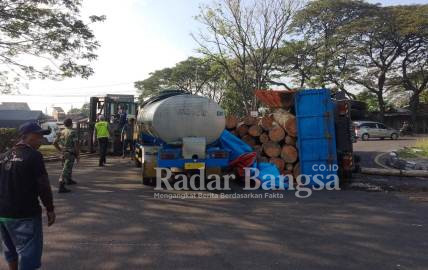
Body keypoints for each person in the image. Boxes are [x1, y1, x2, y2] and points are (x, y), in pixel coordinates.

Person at [0, 122, 55, 270]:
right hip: (25, 216)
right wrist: (50, 209)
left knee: (11, 252)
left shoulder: (4, 156)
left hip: (3, 216)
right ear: (26, 137)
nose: (40, 140)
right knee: (28, 257)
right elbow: (43, 185)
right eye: (37, 136)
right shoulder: (34, 156)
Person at [53, 118, 79, 193]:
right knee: (66, 168)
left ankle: (69, 180)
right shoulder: (72, 132)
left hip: (64, 152)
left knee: (68, 166)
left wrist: (61, 150)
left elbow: (54, 143)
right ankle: (61, 185)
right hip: (71, 153)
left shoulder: (60, 132)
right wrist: (78, 155)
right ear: (71, 124)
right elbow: (76, 144)